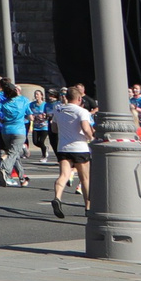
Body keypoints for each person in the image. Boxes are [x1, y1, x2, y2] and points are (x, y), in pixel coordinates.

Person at [50, 84, 94, 220]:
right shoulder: (82, 111)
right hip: (80, 148)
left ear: (66, 98)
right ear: (79, 98)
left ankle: (57, 197)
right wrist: (91, 138)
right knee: (85, 178)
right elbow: (86, 128)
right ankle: (88, 207)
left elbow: (54, 129)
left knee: (63, 175)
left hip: (63, 147)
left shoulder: (58, 110)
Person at [0, 81, 33, 187]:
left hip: (6, 130)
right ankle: (4, 168)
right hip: (19, 130)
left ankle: (22, 178)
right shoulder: (24, 100)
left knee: (15, 155)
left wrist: (0, 120)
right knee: (13, 153)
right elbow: (30, 116)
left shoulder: (4, 102)